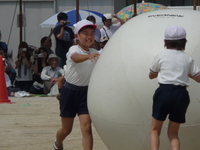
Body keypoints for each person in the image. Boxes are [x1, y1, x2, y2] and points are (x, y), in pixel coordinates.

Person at [149, 25, 200, 150]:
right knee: (173, 133)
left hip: (164, 92)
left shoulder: (161, 55)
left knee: (155, 130)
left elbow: (151, 75)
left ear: (165, 41)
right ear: (184, 42)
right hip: (181, 94)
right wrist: (188, 75)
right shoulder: (187, 58)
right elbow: (199, 78)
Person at [53, 20, 100, 150]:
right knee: (66, 130)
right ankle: (58, 143)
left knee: (87, 128)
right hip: (69, 92)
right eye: (85, 33)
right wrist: (89, 56)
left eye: (92, 33)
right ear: (76, 36)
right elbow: (75, 58)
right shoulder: (73, 49)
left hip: (86, 94)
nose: (89, 36)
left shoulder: (96, 52)